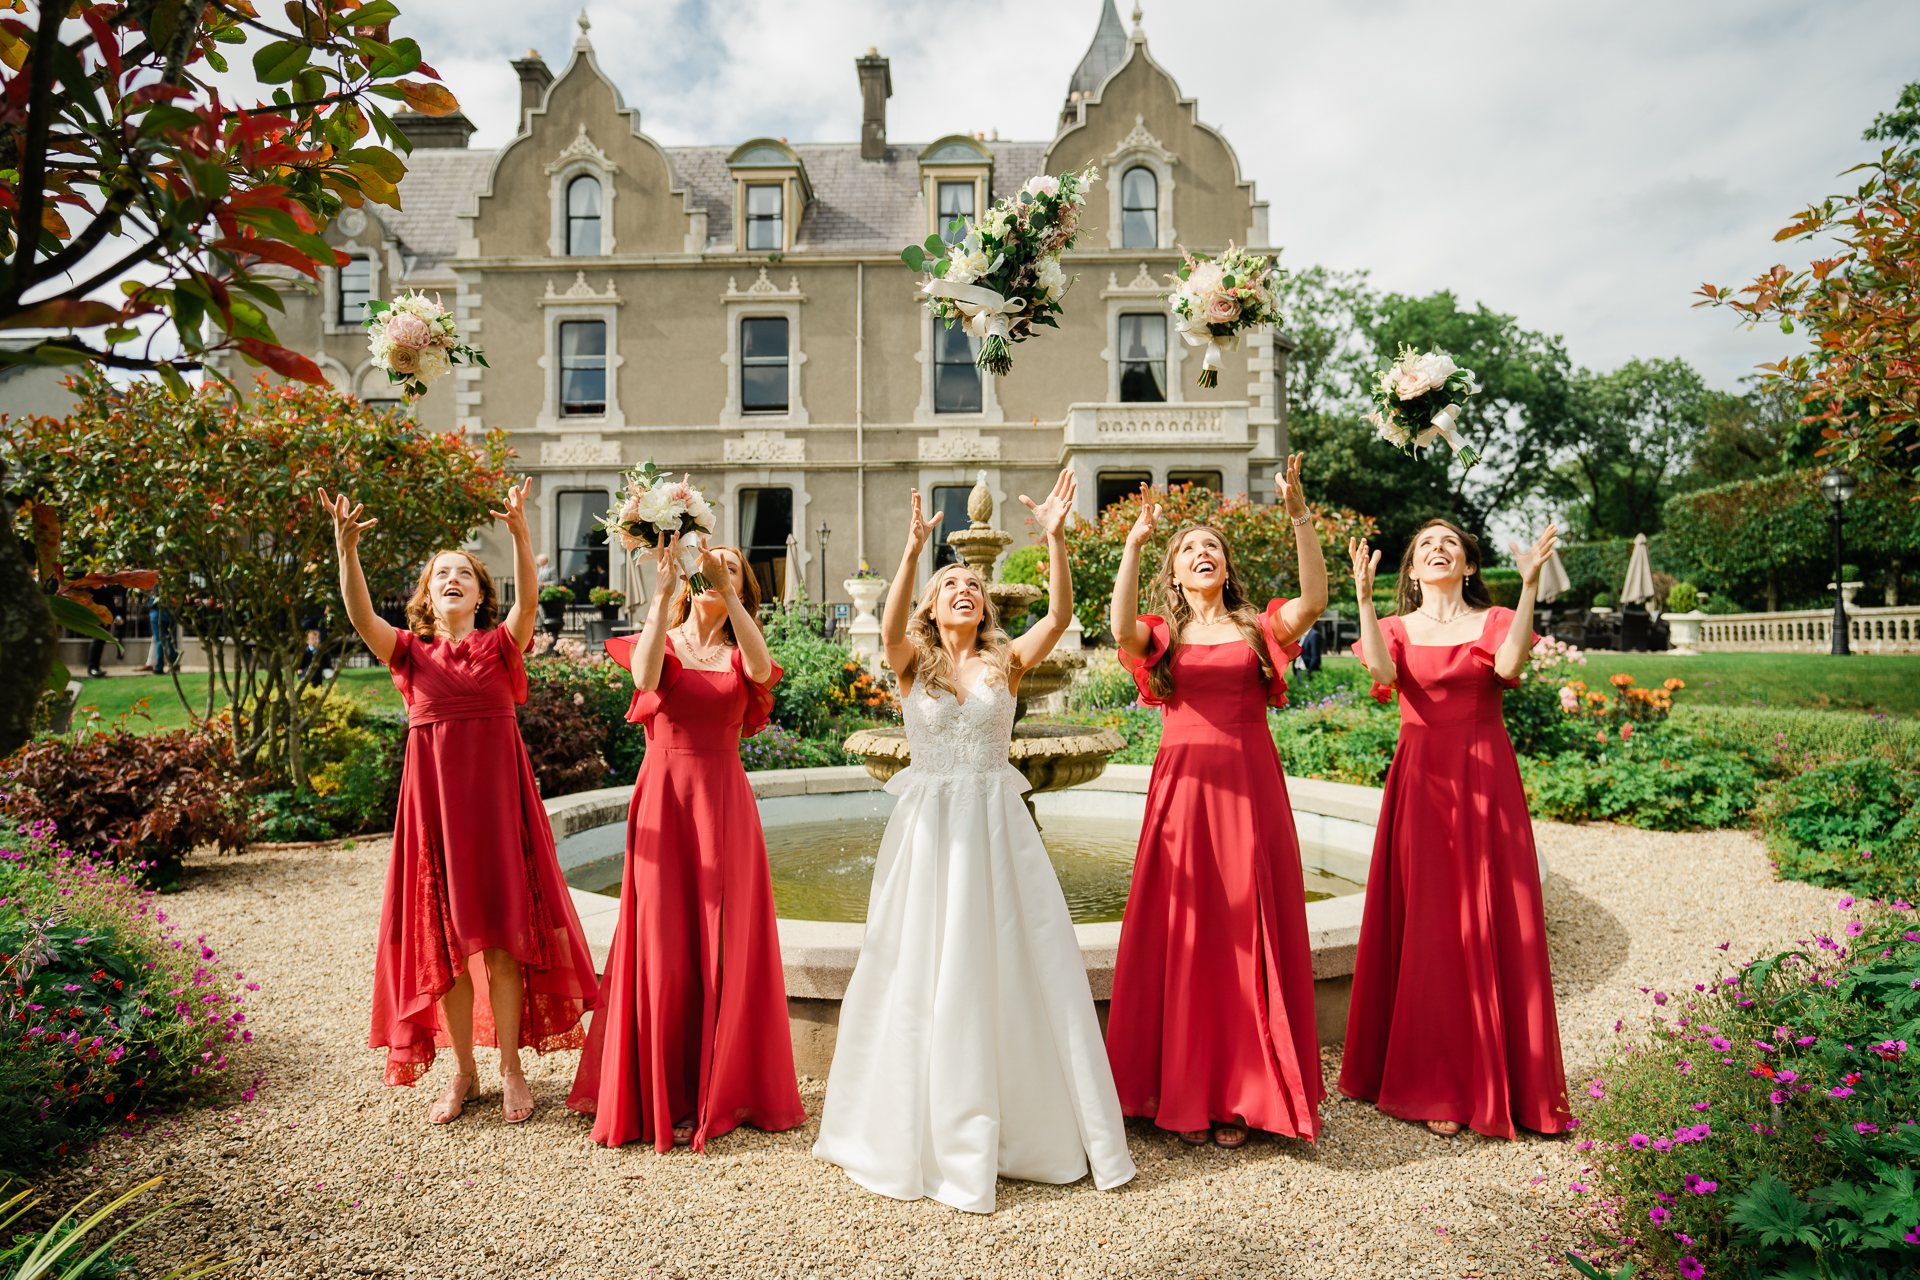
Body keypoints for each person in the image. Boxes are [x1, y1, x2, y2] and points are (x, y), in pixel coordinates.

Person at [814, 470, 1135, 1213]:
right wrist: (910, 554)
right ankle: (915, 1124)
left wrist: (1053, 538)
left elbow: (1058, 614)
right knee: (916, 962)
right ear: (933, 602)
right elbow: (890, 628)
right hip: (927, 832)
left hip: (995, 825)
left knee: (1013, 961)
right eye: (950, 583)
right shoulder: (909, 663)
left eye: (973, 585)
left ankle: (1025, 1117)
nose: (965, 589)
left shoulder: (1005, 662)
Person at [323, 481, 599, 1124]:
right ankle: (464, 1073)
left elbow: (529, 603)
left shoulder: (502, 646)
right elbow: (361, 615)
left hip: (496, 815)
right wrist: (348, 552)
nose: (451, 578)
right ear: (427, 596)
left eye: (464, 574)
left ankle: (509, 1070)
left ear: (479, 594)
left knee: (501, 943)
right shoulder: (409, 654)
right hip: (433, 815)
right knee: (441, 944)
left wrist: (522, 536)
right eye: (440, 573)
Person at [1105, 455, 1329, 1150]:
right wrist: (1136, 544)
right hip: (1181, 797)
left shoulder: (1258, 627)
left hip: (1249, 791)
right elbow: (1118, 630)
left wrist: (1299, 518)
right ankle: (1179, 1088)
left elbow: (1315, 601)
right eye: (1189, 549)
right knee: (1188, 933)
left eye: (1213, 548)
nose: (1203, 554)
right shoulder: (1160, 635)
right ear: (1173, 573)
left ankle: (1241, 1090)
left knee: (1246, 935)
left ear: (1226, 568)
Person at [566, 537, 805, 1152]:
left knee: (725, 942)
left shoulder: (737, 653)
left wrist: (727, 593)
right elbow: (644, 675)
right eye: (711, 563)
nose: (715, 571)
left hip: (723, 806)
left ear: (741, 590)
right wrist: (663, 593)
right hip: (664, 804)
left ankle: (726, 1088)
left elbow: (759, 669)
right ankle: (661, 1090)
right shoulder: (667, 646)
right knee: (664, 945)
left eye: (731, 569)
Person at [1338, 519, 1572, 1140]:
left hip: (1484, 778)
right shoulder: (1393, 628)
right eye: (1424, 546)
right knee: (1431, 924)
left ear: (1468, 564)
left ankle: (1499, 1080)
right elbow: (1385, 677)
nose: (1437, 549)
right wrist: (1363, 599)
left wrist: (1528, 587)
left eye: (1450, 543)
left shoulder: (1495, 618)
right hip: (1421, 783)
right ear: (1411, 571)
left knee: (1491, 919)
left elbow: (1513, 662)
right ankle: (1436, 1080)